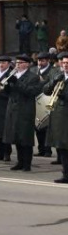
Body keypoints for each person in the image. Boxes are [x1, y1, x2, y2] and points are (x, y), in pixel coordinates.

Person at [2, 54, 42, 172]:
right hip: (12, 109)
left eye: (21, 63)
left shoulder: (33, 77)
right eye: (17, 63)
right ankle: (19, 162)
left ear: (27, 64)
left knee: (25, 138)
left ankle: (27, 163)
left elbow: (31, 91)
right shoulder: (13, 75)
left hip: (25, 109)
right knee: (16, 137)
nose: (18, 65)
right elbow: (8, 92)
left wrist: (17, 82)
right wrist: (7, 85)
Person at [45, 53, 68, 183]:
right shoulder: (58, 76)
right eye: (63, 63)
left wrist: (64, 94)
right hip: (59, 117)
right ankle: (65, 174)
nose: (65, 66)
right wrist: (53, 82)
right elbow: (46, 91)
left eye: (67, 63)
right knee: (62, 147)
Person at [33, 52, 58, 157]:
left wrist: (42, 82)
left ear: (48, 61)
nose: (40, 62)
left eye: (42, 60)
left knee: (46, 127)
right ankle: (41, 149)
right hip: (36, 99)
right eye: (39, 60)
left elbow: (53, 84)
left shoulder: (53, 71)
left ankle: (48, 150)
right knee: (38, 126)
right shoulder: (34, 70)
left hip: (47, 100)